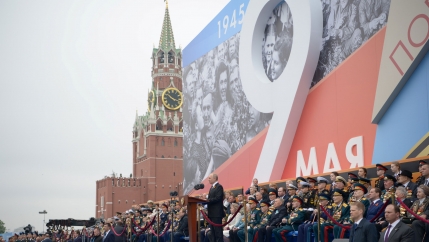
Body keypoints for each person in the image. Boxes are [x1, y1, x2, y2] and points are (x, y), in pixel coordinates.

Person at [206, 173, 225, 242]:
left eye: (210, 178)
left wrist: (208, 200)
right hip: (211, 213)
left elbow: (218, 198)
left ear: (214, 178)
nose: (208, 180)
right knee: (212, 233)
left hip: (216, 213)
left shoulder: (219, 187)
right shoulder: (212, 187)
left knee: (218, 233)